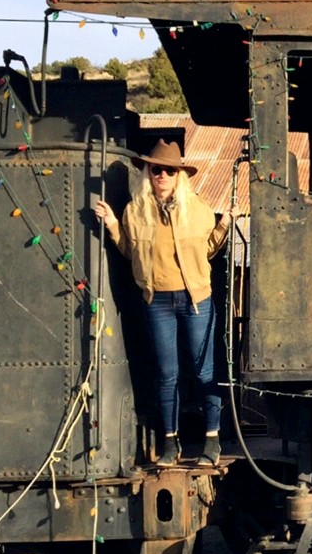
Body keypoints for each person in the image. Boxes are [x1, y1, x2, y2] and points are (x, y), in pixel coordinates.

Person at [92, 140, 232, 466]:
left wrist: (224, 225)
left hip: (196, 299)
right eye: (157, 170)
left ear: (179, 175)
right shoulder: (134, 212)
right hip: (157, 301)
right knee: (167, 374)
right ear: (148, 173)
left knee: (203, 371)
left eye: (170, 170)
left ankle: (212, 440)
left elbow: (208, 250)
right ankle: (171, 443)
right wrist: (112, 225)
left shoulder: (198, 209)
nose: (163, 176)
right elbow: (131, 252)